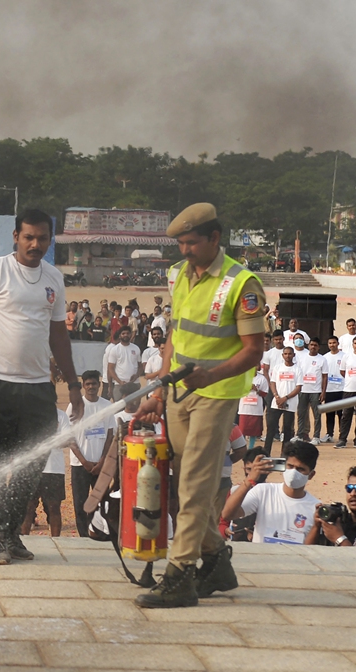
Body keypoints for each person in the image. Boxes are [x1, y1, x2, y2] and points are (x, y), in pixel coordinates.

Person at [132, 203, 266, 607]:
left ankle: (180, 576)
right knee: (185, 483)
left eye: (192, 242)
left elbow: (254, 351)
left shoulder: (242, 284)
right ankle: (217, 562)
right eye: (180, 243)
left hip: (217, 395)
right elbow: (176, 333)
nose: (185, 250)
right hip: (177, 393)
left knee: (193, 485)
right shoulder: (177, 275)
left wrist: (209, 376)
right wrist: (159, 389)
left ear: (214, 238)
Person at [0, 208, 81, 565]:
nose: (35, 244)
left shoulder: (54, 278)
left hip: (39, 386)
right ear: (15, 237)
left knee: (32, 464)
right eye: (28, 237)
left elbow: (59, 336)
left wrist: (72, 383)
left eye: (42, 238)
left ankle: (10, 532)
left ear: (49, 240)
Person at [222, 440, 319, 545]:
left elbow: (310, 548)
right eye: (290, 466)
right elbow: (228, 514)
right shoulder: (263, 492)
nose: (294, 472)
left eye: (300, 469)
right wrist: (249, 480)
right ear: (283, 467)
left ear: (311, 475)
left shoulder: (315, 508)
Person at [68, 370, 114, 537]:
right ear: (83, 386)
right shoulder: (75, 406)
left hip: (100, 464)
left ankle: (99, 532)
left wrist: (102, 460)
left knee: (101, 501)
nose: (91, 387)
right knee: (80, 504)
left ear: (99, 384)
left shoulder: (107, 406)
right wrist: (84, 461)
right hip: (80, 464)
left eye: (94, 383)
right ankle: (83, 536)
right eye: (87, 384)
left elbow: (110, 435)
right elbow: (69, 437)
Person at [22, 407, 70, 538]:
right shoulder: (29, 414)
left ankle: (56, 541)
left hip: (54, 469)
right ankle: (23, 541)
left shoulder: (61, 416)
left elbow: (67, 440)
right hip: (31, 469)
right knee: (28, 508)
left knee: (54, 507)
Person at [305, 466, 356, 547]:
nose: (353, 493)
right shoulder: (340, 520)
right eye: (349, 488)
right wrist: (316, 526)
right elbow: (306, 553)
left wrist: (339, 539)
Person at [265, 346, 302, 456]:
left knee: (287, 430)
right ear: (282, 355)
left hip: (290, 403)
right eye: (285, 354)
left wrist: (285, 398)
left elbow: (298, 387)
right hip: (276, 402)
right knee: (271, 428)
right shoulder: (277, 368)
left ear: (293, 355)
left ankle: (284, 455)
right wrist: (277, 397)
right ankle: (266, 453)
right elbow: (273, 383)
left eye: (290, 354)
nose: (287, 356)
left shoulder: (297, 369)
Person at [296, 338, 326, 443]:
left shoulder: (322, 359)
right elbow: (298, 373)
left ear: (319, 347)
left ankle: (316, 437)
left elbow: (325, 377)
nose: (313, 347)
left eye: (315, 345)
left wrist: (323, 392)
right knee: (301, 414)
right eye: (312, 345)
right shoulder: (302, 358)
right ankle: (299, 435)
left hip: (315, 391)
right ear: (308, 346)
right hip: (303, 390)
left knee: (317, 415)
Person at [105, 326, 141, 399]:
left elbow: (140, 366)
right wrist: (117, 383)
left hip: (134, 384)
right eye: (123, 333)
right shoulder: (114, 350)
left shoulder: (136, 348)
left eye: (127, 333)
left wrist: (136, 376)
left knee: (134, 408)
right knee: (119, 408)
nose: (125, 335)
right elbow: (110, 369)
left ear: (131, 335)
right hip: (119, 384)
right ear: (119, 335)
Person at [322, 336, 345, 444]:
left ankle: (342, 435)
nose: (332, 345)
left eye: (334, 343)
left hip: (342, 389)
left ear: (338, 343)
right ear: (328, 344)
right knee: (329, 413)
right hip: (329, 389)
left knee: (341, 413)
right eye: (330, 343)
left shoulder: (344, 356)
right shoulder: (324, 357)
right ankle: (329, 434)